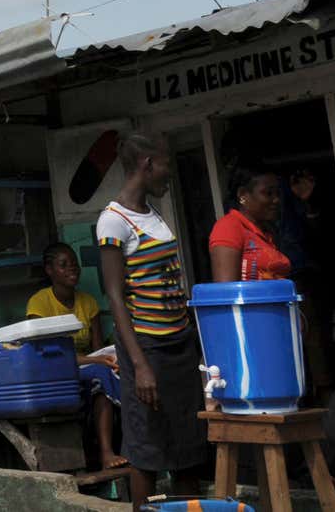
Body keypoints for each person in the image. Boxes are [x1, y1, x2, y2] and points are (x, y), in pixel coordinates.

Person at [96, 132, 205, 511]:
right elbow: (114, 295)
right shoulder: (113, 222)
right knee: (148, 448)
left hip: (179, 346)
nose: (169, 175)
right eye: (166, 167)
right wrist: (140, 366)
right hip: (148, 350)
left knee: (188, 446)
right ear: (146, 165)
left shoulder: (154, 213)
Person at [27, 242, 125, 470]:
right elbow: (47, 355)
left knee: (113, 374)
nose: (72, 268)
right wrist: (98, 361)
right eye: (64, 265)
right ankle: (106, 452)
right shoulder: (39, 303)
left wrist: (110, 360)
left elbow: (98, 349)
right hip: (54, 371)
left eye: (74, 264)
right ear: (49, 270)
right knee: (101, 373)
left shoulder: (88, 302)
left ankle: (119, 448)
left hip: (89, 367)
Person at [209, 165, 292, 282]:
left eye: (277, 193)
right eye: (268, 193)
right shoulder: (229, 227)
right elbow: (227, 291)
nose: (276, 199)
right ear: (243, 194)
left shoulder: (267, 232)